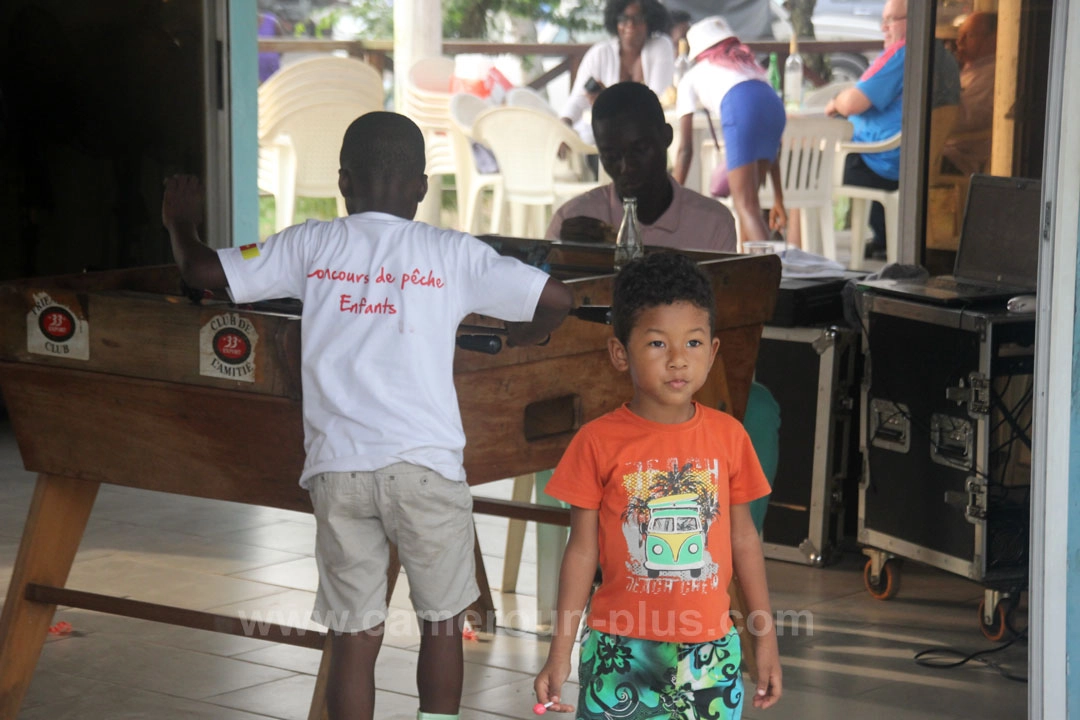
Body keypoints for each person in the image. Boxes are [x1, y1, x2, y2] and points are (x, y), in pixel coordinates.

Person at [161, 111, 574, 720]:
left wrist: (180, 222)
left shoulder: (307, 242)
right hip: (427, 471)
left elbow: (202, 272)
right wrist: (523, 337)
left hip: (338, 470)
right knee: (441, 623)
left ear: (343, 183)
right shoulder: (451, 252)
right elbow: (556, 298)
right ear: (422, 188)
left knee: (353, 635)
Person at [533, 251, 782, 717]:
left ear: (712, 352)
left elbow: (744, 539)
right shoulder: (596, 442)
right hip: (619, 649)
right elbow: (582, 551)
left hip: (710, 653)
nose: (677, 361)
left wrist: (763, 640)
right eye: (656, 344)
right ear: (619, 353)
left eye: (692, 343)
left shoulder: (730, 436)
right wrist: (559, 651)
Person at [547, 82, 737, 253]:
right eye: (611, 156)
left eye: (639, 150)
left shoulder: (712, 224)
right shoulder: (574, 222)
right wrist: (566, 256)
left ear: (666, 136)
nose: (626, 167)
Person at [672, 15, 787, 244]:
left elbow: (685, 150)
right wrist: (778, 198)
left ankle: (773, 274)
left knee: (746, 206)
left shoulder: (692, 76)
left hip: (740, 108)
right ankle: (749, 267)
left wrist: (672, 199)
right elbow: (775, 148)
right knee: (751, 200)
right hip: (774, 105)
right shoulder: (752, 67)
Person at [825, 0, 907, 261]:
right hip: (896, 157)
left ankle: (799, 253)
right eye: (883, 19)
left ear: (915, 20)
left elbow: (852, 103)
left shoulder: (904, 53)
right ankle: (882, 240)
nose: (884, 26)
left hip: (883, 161)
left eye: (891, 19)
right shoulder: (929, 52)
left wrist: (836, 101)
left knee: (809, 169)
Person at [560, 0, 674, 145]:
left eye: (638, 19)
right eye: (623, 19)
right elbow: (577, 99)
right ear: (615, 21)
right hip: (603, 138)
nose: (630, 25)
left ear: (650, 21)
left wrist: (609, 100)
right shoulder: (599, 53)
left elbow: (657, 99)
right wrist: (563, 127)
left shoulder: (661, 46)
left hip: (646, 135)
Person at [943, 12, 997, 176]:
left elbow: (964, 119)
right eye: (960, 35)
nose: (960, 42)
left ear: (993, 39)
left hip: (960, 159)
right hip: (947, 150)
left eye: (969, 36)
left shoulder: (992, 74)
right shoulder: (971, 69)